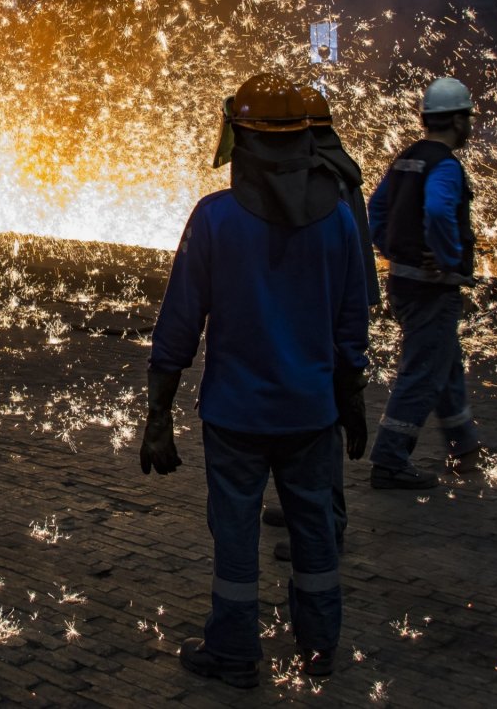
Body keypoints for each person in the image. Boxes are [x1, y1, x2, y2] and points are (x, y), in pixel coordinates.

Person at [139, 72, 370, 688]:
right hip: (312, 413)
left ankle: (236, 653)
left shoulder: (215, 219)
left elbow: (178, 327)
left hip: (236, 418)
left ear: (239, 137)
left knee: (236, 540)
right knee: (316, 531)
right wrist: (352, 401)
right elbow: (353, 323)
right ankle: (319, 649)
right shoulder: (340, 222)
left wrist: (157, 416)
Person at [264, 83, 378, 558]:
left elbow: (331, 260)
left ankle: (327, 523)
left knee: (322, 425)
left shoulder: (324, 182)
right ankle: (299, 508)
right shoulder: (331, 170)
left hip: (325, 319)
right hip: (321, 314)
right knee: (301, 421)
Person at [364, 76, 484, 489]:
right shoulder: (445, 165)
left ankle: (464, 447)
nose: (470, 125)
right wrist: (448, 258)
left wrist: (393, 249)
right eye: (467, 117)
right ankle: (391, 459)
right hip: (432, 289)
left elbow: (375, 209)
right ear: (455, 120)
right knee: (422, 373)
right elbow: (436, 211)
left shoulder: (406, 158)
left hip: (403, 282)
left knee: (444, 364)